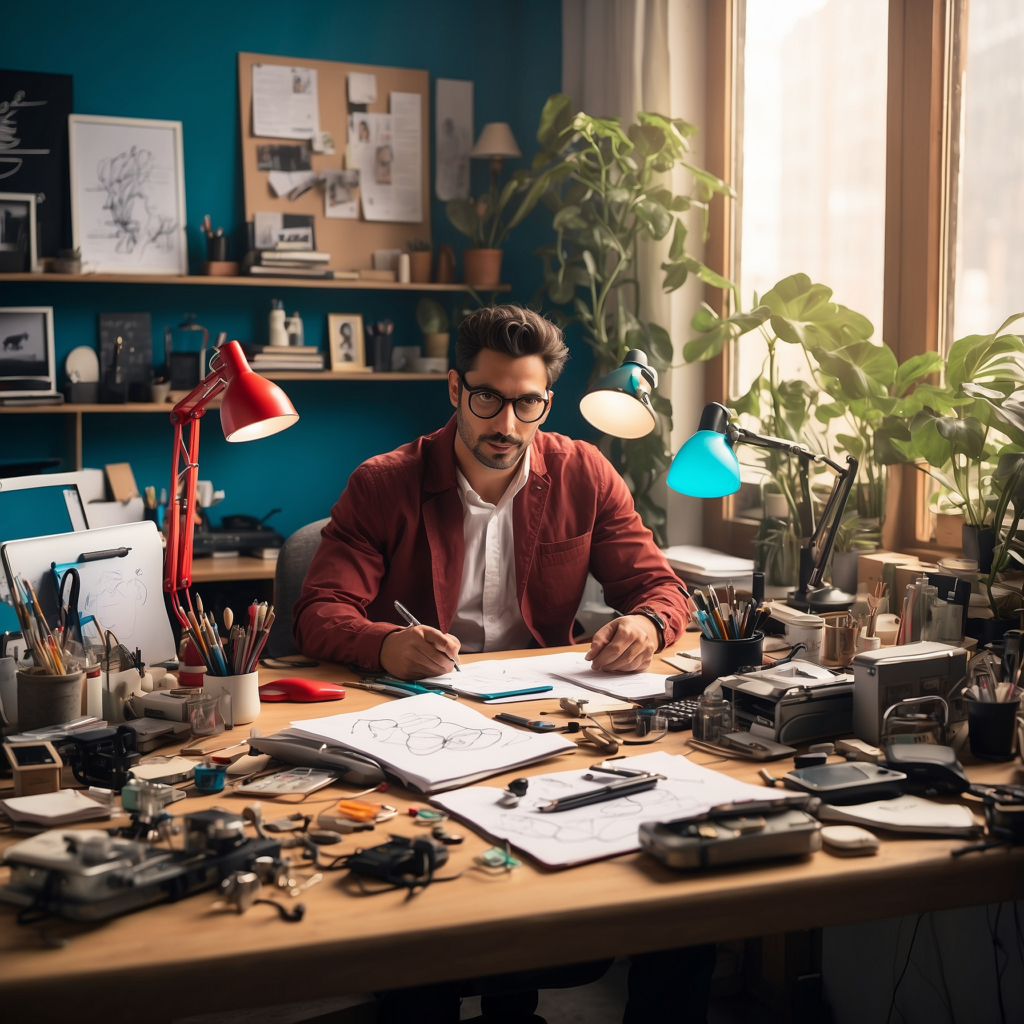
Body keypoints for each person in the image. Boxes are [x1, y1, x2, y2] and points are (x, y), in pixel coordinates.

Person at [293, 305, 712, 1023]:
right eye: (487, 398)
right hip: (414, 728)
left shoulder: (584, 471)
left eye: (527, 404)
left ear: (546, 401)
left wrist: (646, 622)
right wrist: (387, 644)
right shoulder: (384, 483)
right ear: (455, 390)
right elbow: (321, 612)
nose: (507, 426)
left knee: (691, 886)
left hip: (549, 727)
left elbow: (660, 588)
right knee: (422, 910)